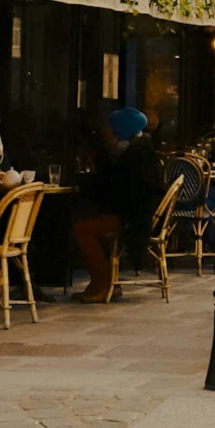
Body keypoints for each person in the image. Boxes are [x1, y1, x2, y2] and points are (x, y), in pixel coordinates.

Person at [70, 107, 164, 303]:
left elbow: (118, 191)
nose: (106, 135)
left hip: (134, 220)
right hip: (138, 216)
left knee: (82, 229)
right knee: (89, 221)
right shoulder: (143, 150)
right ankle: (102, 281)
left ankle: (104, 282)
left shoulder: (133, 156)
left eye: (110, 131)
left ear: (120, 131)